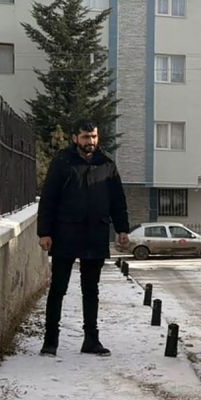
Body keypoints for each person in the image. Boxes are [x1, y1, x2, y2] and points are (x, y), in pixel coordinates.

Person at [36, 120, 130, 357]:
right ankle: (50, 341)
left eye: (94, 137)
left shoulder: (106, 164)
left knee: (91, 290)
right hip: (65, 233)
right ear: (75, 138)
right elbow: (48, 199)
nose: (91, 141)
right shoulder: (62, 162)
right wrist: (44, 232)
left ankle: (91, 340)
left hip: (95, 234)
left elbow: (118, 200)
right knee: (58, 289)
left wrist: (122, 229)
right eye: (86, 137)